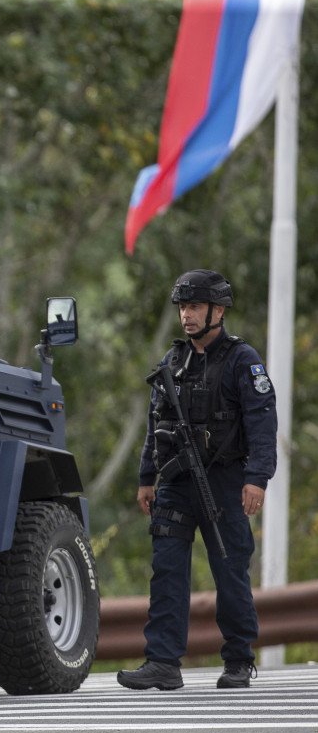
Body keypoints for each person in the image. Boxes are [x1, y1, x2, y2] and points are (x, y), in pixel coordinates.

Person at [118, 269, 276, 691]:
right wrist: (147, 476)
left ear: (218, 311)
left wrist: (257, 478)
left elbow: (262, 422)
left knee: (229, 567)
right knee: (167, 569)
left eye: (195, 307)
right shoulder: (173, 361)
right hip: (176, 480)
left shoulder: (243, 360)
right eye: (183, 307)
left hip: (224, 480)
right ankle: (163, 662)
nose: (186, 315)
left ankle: (239, 659)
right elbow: (156, 425)